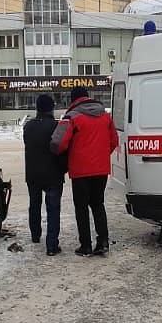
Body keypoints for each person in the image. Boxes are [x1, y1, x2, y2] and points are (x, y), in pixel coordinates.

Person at [50, 86, 118, 257]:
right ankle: (103, 242)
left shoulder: (72, 117)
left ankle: (86, 246)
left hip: (80, 171)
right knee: (97, 204)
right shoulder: (105, 116)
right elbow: (114, 141)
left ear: (73, 100)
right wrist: (100, 156)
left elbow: (58, 143)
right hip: (101, 170)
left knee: (81, 208)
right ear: (88, 98)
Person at [23, 94, 66, 256]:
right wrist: (63, 169)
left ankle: (35, 235)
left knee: (34, 205)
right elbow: (61, 150)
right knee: (53, 209)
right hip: (53, 173)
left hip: (33, 173)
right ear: (51, 108)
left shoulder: (28, 126)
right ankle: (52, 245)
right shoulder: (56, 126)